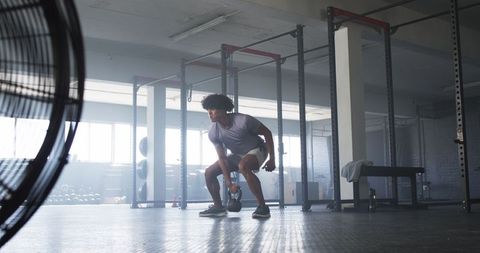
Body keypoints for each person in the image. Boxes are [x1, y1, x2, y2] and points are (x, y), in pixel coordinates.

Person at [199, 94, 276, 218]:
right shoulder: (213, 132)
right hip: (237, 155)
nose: (210, 113)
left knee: (243, 165)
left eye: (213, 110)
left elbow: (267, 133)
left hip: (258, 149)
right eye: (208, 110)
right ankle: (218, 207)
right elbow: (222, 158)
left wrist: (272, 159)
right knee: (209, 172)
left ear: (223, 109)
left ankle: (263, 207)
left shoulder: (243, 121)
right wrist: (229, 184)